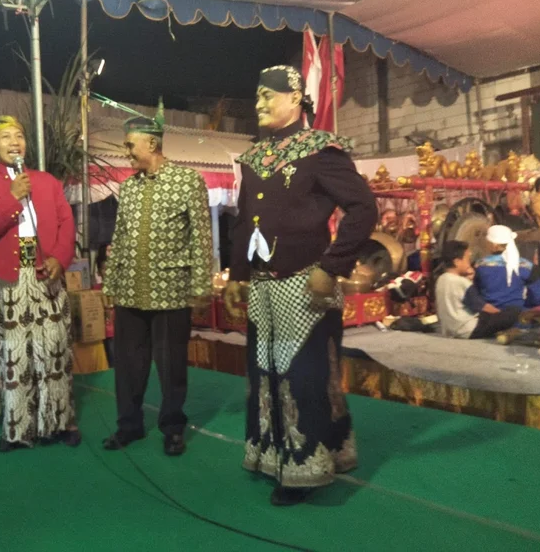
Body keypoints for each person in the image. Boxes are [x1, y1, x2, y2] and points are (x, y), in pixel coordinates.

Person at [223, 65, 377, 506]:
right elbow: (241, 222)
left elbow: (363, 208)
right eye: (256, 97)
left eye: (267, 96)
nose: (259, 105)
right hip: (263, 286)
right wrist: (237, 275)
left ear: (295, 97)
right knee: (266, 374)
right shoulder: (253, 158)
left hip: (306, 283)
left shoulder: (320, 150)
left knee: (306, 377)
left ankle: (306, 467)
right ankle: (274, 454)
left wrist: (332, 266)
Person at [0, 116, 79, 452]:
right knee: (15, 353)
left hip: (47, 272)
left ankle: (56, 423)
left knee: (54, 349)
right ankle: (18, 430)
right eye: (5, 137)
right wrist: (12, 197)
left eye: (19, 136)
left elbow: (65, 221)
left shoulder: (47, 181)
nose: (15, 142)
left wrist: (60, 256)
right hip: (10, 275)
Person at [102, 103, 212, 457]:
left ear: (151, 144)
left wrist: (200, 287)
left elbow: (201, 237)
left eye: (130, 145)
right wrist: (110, 286)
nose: (127, 152)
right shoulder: (130, 188)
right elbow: (119, 238)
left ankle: (172, 427)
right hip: (130, 292)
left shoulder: (188, 180)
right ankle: (129, 425)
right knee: (128, 363)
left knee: (171, 363)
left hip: (172, 292)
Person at [436, 240, 521, 339]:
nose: (469, 264)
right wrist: (501, 315)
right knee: (513, 311)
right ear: (457, 262)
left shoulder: (441, 279)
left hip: (449, 329)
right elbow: (482, 307)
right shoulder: (462, 282)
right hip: (468, 329)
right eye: (467, 260)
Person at [474, 225, 540, 310]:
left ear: (494, 245)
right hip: (518, 316)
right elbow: (538, 297)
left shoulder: (479, 266)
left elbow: (474, 294)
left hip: (489, 316)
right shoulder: (527, 266)